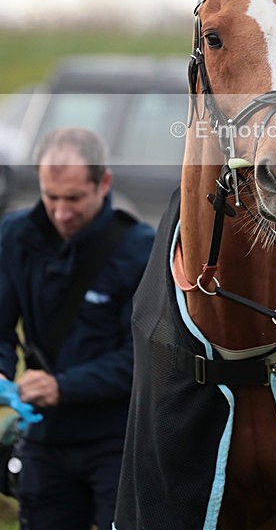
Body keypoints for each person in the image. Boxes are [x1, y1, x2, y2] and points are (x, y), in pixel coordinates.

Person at [0, 127, 155, 530]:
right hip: (43, 440)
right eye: (50, 197)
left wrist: (63, 386)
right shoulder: (15, 236)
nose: (61, 213)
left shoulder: (141, 248)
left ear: (103, 183)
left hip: (117, 443)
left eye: (74, 199)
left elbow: (144, 355)